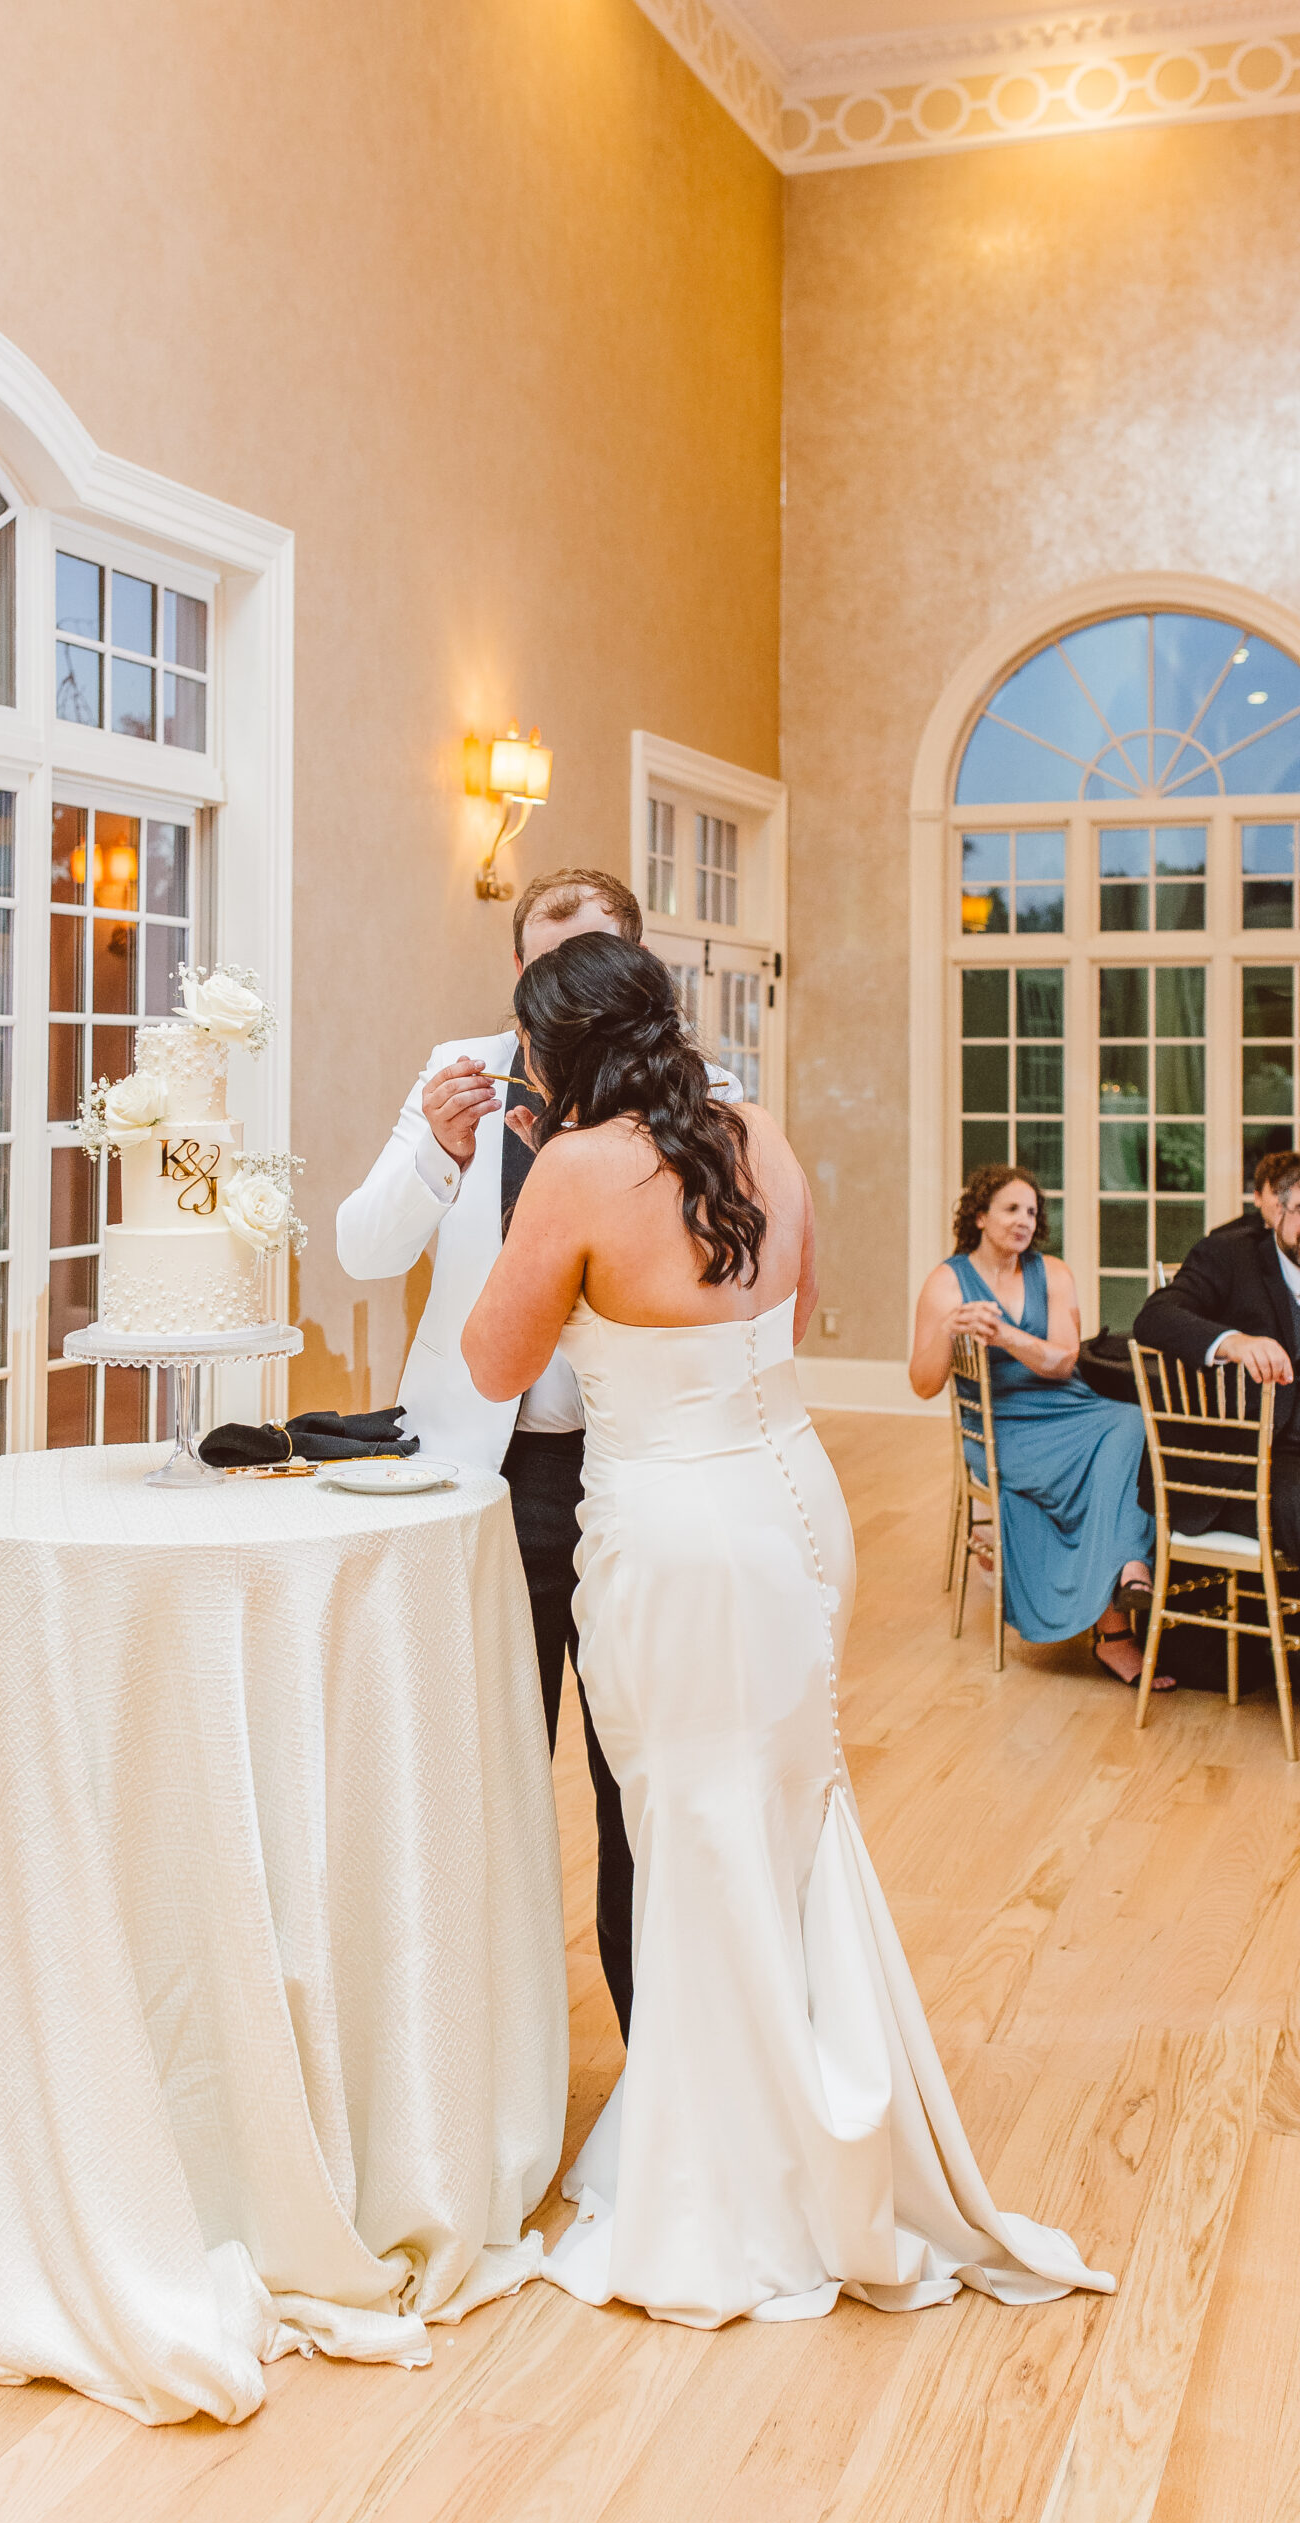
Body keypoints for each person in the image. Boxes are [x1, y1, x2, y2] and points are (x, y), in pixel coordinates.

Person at [460, 934, 1112, 2326]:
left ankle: (724, 2166)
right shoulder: (759, 1133)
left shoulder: (572, 1170)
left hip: (676, 1535)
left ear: (559, 1052)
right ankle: (807, 2115)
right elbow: (796, 1307)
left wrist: (536, 1174)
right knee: (779, 1815)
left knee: (690, 1824)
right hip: (793, 1508)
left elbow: (489, 1363)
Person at [336, 867, 739, 2045]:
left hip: (631, 1477)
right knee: (487, 1776)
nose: (552, 983)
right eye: (537, 957)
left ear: (635, 967)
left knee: (635, 1782)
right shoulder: (456, 1074)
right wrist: (439, 1160)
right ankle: (486, 2068)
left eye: (588, 951)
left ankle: (655, 2065)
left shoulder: (695, 1097)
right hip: (482, 1480)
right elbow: (365, 1249)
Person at [909, 1165, 1168, 1691]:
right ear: (980, 1216)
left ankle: (1124, 1573)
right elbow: (923, 1383)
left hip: (1070, 1408)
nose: (1024, 1220)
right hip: (1003, 1428)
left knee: (1134, 1423)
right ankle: (1118, 1615)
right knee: (1104, 1462)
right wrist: (946, 1329)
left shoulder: (1051, 1272)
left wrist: (1004, 1334)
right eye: (1010, 1209)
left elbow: (1062, 1362)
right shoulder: (946, 1281)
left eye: (1031, 1211)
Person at [1134, 1158, 1300, 1707]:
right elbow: (1155, 1317)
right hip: (1256, 1460)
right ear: (1278, 1213)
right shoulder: (1230, 1257)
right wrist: (1233, 1341)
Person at [1209, 1148, 1300, 1240]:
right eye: (1277, 1192)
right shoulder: (1223, 1242)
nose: (1285, 1202)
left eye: (1295, 1193)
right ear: (1258, 1198)